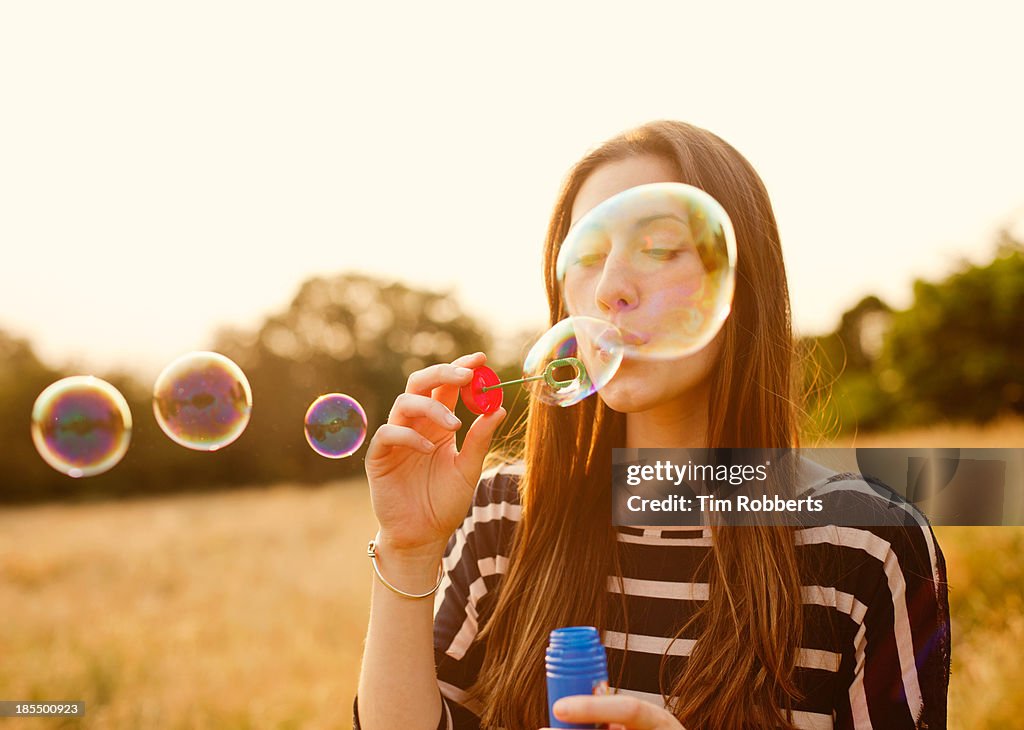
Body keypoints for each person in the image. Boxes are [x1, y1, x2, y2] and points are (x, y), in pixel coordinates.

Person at [354, 121, 950, 729]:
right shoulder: (498, 519)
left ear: (743, 285)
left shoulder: (865, 542)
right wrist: (408, 551)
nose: (610, 288)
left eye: (660, 249)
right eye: (587, 258)